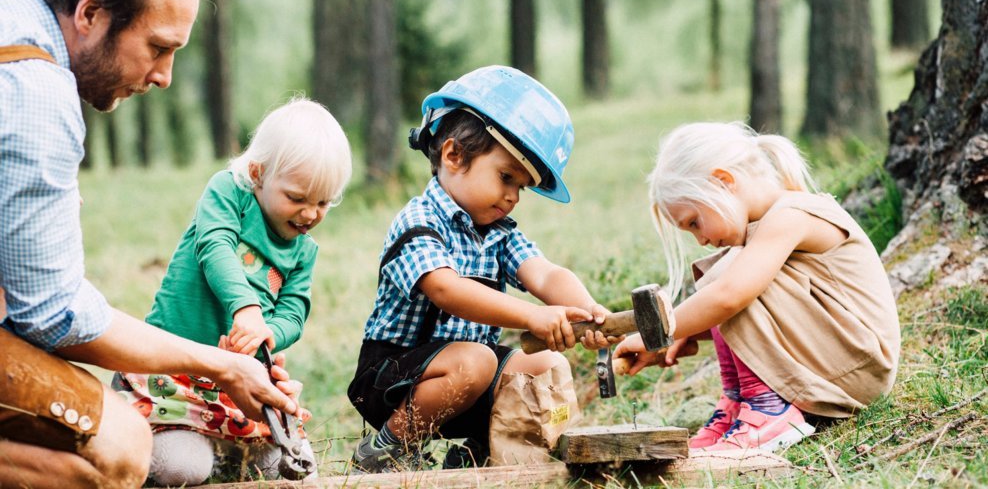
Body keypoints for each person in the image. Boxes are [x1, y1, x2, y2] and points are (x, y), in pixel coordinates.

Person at [0, 0, 299, 489]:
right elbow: (54, 316)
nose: (163, 75)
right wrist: (221, 363)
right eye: (158, 47)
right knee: (120, 450)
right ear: (90, 12)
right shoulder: (37, 94)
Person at [347, 65, 613, 472]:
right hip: (391, 380)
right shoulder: (418, 221)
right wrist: (533, 316)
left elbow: (543, 274)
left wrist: (590, 311)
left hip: (467, 380)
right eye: (506, 177)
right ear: (454, 155)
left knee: (547, 367)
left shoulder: (498, 232)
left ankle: (488, 453)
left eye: (521, 187)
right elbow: (447, 291)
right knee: (477, 361)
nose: (513, 198)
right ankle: (386, 449)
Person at [614, 122, 900, 452]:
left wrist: (661, 332)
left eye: (694, 222)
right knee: (728, 271)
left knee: (728, 277)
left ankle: (767, 408)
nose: (701, 239)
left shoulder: (790, 215)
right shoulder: (765, 228)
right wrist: (689, 332)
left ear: (723, 181)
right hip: (841, 363)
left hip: (859, 369)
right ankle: (739, 404)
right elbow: (774, 316)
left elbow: (730, 297)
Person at [113, 98, 352, 485]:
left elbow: (294, 311)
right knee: (181, 469)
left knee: (295, 470)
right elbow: (216, 246)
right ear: (258, 173)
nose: (310, 214)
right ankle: (168, 443)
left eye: (323, 202)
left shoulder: (304, 251)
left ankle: (231, 455)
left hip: (242, 383)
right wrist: (246, 309)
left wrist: (270, 331)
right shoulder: (229, 194)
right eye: (296, 198)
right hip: (176, 372)